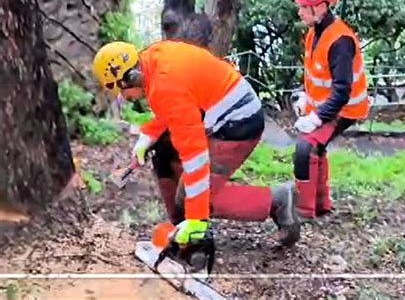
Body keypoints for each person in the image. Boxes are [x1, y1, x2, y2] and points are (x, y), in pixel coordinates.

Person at [91, 39, 301, 247]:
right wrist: (147, 138)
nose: (124, 97)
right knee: (163, 153)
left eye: (121, 91)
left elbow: (195, 157)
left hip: (238, 125)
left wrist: (196, 219)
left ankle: (278, 200)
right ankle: (180, 225)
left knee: (194, 197)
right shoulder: (152, 61)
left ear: (131, 78)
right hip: (218, 113)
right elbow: (174, 110)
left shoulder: (164, 84)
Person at [290, 0, 369, 221]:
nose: (300, 11)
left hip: (345, 109)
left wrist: (316, 118)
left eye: (305, 7)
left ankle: (303, 212)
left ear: (322, 7)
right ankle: (321, 205)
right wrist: (307, 97)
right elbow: (319, 74)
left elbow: (342, 91)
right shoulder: (315, 34)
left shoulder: (340, 41)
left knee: (306, 149)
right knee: (317, 147)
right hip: (329, 105)